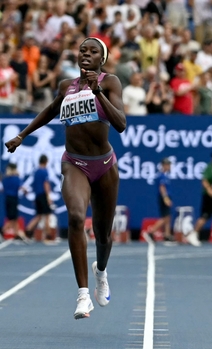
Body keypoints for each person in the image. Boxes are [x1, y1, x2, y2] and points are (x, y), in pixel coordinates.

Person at [5, 37, 127, 320]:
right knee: (75, 217)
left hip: (104, 165)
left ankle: (101, 272)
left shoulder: (110, 83)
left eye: (93, 51)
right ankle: (83, 294)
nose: (86, 54)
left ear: (102, 59)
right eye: (82, 50)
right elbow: (50, 111)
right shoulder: (66, 87)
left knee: (103, 235)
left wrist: (98, 93)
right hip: (74, 163)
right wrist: (22, 135)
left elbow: (120, 124)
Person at [25, 155, 56, 243]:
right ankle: (48, 235)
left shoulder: (36, 171)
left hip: (37, 196)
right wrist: (48, 196)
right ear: (46, 161)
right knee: (47, 215)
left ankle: (28, 230)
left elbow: (34, 185)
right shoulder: (44, 171)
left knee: (39, 215)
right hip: (43, 195)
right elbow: (46, 184)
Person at [145, 158, 173, 241]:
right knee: (165, 217)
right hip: (164, 197)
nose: (169, 167)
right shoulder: (161, 176)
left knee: (168, 217)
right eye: (168, 165)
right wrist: (165, 198)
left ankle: (167, 235)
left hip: (165, 197)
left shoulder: (165, 176)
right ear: (163, 166)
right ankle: (151, 232)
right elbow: (162, 188)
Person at [1, 163, 29, 241]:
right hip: (13, 199)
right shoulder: (16, 178)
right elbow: (22, 187)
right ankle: (3, 231)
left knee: (13, 218)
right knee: (12, 218)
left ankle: (16, 234)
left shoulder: (5, 179)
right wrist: (26, 192)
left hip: (7, 199)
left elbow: (2, 189)